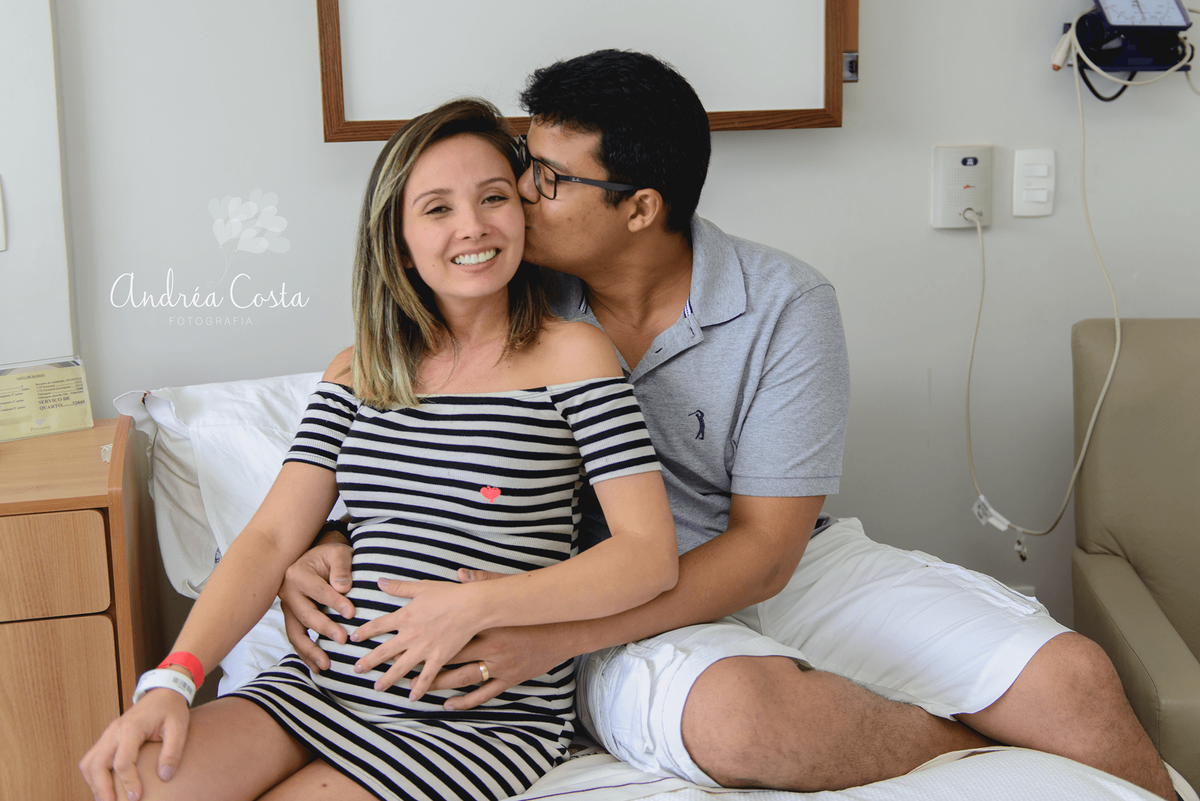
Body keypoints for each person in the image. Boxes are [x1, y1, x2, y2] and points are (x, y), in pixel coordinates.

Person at [280, 52, 1181, 800]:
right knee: (750, 721)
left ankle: (1024, 750)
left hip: (767, 560)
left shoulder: (784, 302)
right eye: (526, 158)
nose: (512, 192)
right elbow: (401, 422)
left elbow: (767, 553)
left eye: (547, 178)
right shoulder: (496, 276)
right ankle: (980, 754)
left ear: (639, 208)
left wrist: (550, 641)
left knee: (1075, 678)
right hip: (585, 588)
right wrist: (325, 533)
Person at [78, 98, 679, 801]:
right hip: (318, 690)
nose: (473, 226)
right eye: (436, 209)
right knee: (139, 783)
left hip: (469, 717)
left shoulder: (574, 355)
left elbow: (648, 552)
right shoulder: (358, 369)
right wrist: (171, 680)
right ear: (395, 235)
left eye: (493, 197)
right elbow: (272, 535)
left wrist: (476, 608)